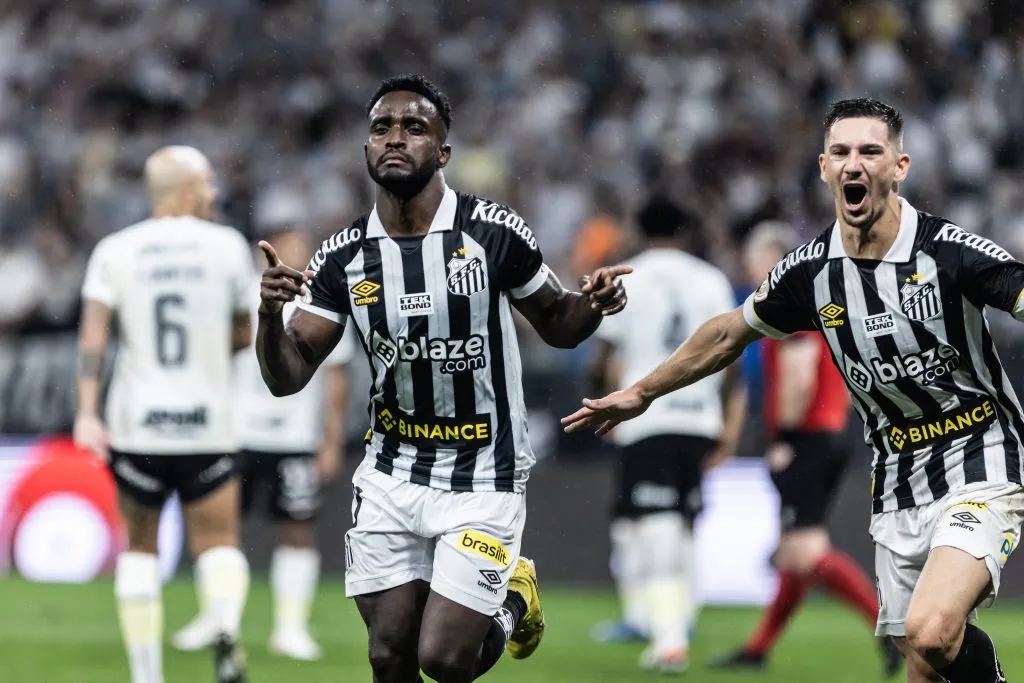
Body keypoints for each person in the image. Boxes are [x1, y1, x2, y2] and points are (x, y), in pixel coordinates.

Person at [563, 98, 1024, 683]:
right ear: (824, 167)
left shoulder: (948, 251)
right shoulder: (808, 272)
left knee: (930, 631)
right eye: (841, 152)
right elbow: (730, 332)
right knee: (925, 662)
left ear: (900, 166)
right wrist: (643, 391)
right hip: (898, 472)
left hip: (980, 457)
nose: (854, 164)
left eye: (870, 151)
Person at [255, 73, 631, 683]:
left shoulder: (492, 233)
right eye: (382, 128)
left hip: (484, 470)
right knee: (388, 657)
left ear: (444, 152)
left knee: (445, 659)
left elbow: (559, 322)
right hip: (391, 473)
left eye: (414, 127)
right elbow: (287, 374)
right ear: (366, 148)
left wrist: (594, 302)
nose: (395, 138)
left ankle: (513, 601)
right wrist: (271, 314)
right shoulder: (344, 256)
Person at [74, 146, 252, 683]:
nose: (215, 194)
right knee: (219, 543)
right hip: (207, 422)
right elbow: (246, 332)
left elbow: (94, 337)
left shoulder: (116, 250)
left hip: (138, 425)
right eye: (207, 184)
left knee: (140, 549)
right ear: (185, 189)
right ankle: (224, 625)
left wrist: (86, 412)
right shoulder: (226, 246)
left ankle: (147, 675)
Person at [708, 221, 901, 677]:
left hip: (807, 439)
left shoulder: (788, 303)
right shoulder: (816, 299)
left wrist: (784, 439)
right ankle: (758, 648)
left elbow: (799, 375)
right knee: (795, 559)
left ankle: (890, 627)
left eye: (755, 259)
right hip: (827, 435)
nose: (750, 268)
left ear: (772, 258)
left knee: (806, 553)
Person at [172, 226, 355, 661]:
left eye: (301, 246)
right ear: (266, 250)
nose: (296, 252)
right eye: (288, 244)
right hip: (236, 432)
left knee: (297, 529)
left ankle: (290, 627)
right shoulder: (240, 296)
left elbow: (337, 380)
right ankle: (214, 618)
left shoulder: (324, 298)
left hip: (294, 437)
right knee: (218, 529)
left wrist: (330, 441)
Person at [587, 195, 745, 674]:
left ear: (641, 228)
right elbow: (729, 353)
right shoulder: (711, 278)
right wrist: (727, 425)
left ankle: (668, 635)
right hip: (699, 416)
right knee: (682, 519)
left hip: (646, 415)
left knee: (653, 522)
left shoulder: (628, 275)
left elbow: (604, 355)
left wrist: (603, 402)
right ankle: (679, 617)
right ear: (684, 232)